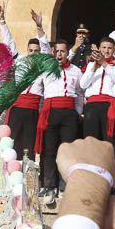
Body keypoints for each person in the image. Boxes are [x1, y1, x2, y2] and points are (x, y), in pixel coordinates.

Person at [0, 4, 50, 160]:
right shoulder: (20, 60)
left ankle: (29, 181)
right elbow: (9, 43)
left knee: (29, 148)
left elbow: (46, 47)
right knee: (11, 145)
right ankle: (10, 178)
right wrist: (2, 21)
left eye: (36, 51)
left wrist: (39, 27)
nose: (34, 53)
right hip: (17, 109)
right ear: (27, 50)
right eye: (31, 50)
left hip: (33, 111)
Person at [35, 39, 84, 203]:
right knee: (50, 151)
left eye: (63, 51)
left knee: (68, 151)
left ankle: (65, 186)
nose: (60, 54)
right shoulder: (47, 69)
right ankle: (49, 186)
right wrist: (40, 28)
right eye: (57, 51)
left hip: (69, 113)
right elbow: (43, 48)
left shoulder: (76, 71)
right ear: (53, 53)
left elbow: (79, 93)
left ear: (67, 52)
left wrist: (77, 112)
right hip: (51, 111)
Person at [80, 37, 115, 167]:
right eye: (104, 48)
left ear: (113, 49)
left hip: (109, 106)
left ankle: (110, 181)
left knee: (110, 143)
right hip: (92, 106)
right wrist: (94, 66)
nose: (106, 50)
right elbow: (83, 84)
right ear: (99, 49)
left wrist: (105, 64)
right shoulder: (91, 64)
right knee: (91, 142)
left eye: (109, 48)